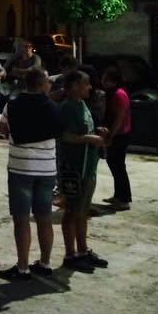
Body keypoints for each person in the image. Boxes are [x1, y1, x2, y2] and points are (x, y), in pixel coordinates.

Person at [0, 68, 62, 281]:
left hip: (21, 168)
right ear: (42, 84)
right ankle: (45, 263)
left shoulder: (12, 105)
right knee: (44, 217)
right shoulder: (53, 107)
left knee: (21, 218)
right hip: (47, 170)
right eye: (48, 82)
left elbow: (2, 129)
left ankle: (23, 267)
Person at [58, 70, 109, 272]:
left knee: (82, 211)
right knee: (71, 211)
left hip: (88, 166)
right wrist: (89, 138)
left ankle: (83, 250)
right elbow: (66, 136)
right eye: (86, 84)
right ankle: (70, 255)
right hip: (74, 168)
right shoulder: (67, 108)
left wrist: (98, 132)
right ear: (74, 86)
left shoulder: (82, 105)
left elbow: (85, 130)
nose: (90, 87)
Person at [100, 66, 132, 211]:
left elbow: (119, 118)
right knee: (114, 165)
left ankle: (124, 199)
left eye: (106, 80)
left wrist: (111, 135)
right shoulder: (111, 93)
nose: (103, 82)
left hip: (120, 134)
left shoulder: (119, 94)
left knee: (118, 166)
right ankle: (118, 195)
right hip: (116, 133)